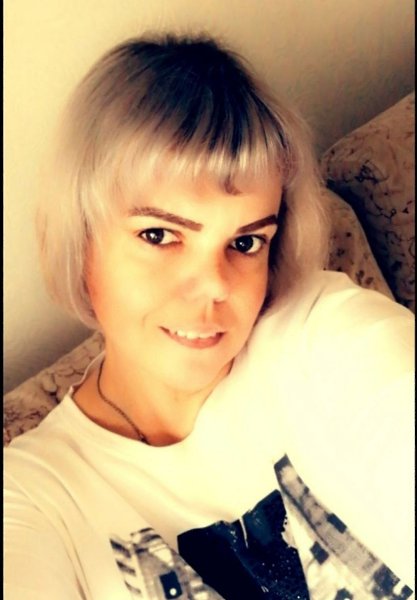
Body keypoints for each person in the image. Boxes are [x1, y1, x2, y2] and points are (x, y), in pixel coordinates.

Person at [4, 33, 414, 600]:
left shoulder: (320, 333)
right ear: (82, 240)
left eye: (245, 242)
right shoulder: (35, 499)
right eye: (159, 235)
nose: (217, 285)